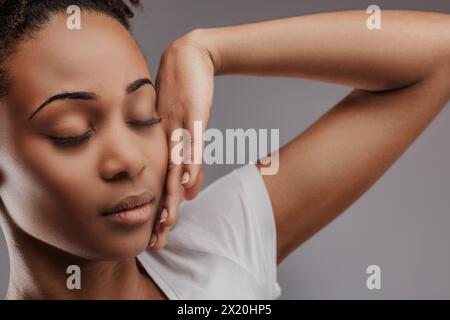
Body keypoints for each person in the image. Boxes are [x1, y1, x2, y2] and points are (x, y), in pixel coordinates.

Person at [0, 0, 449, 299]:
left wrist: (207, 50)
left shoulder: (213, 249)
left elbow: (440, 53)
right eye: (72, 132)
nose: (131, 159)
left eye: (143, 115)